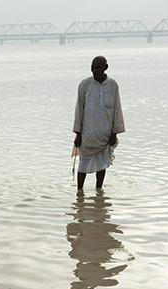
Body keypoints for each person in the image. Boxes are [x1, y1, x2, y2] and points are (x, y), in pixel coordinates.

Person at [73, 55, 125, 191]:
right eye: (93, 67)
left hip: (105, 133)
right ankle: (79, 192)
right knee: (83, 165)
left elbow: (117, 109)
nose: (94, 70)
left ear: (105, 68)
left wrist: (115, 132)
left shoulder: (112, 85)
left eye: (98, 67)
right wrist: (78, 134)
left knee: (102, 164)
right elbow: (79, 109)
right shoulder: (85, 85)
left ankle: (99, 191)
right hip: (88, 134)